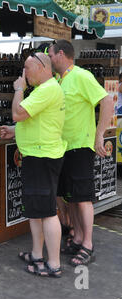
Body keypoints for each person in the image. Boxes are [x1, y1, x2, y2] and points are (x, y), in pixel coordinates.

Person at [48, 40, 114, 267]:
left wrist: (99, 135)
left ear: (62, 54)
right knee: (72, 198)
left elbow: (107, 101)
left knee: (83, 198)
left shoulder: (82, 76)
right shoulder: (59, 79)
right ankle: (77, 237)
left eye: (51, 55)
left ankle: (88, 243)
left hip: (80, 146)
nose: (49, 59)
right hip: (63, 147)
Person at [1, 52, 66, 277]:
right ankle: (37, 254)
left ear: (41, 67)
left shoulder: (47, 89)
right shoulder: (45, 89)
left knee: (47, 212)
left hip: (42, 157)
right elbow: (33, 119)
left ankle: (54, 264)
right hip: (38, 155)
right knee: (36, 211)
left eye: (27, 69)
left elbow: (19, 113)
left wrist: (19, 89)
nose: (24, 74)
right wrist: (14, 130)